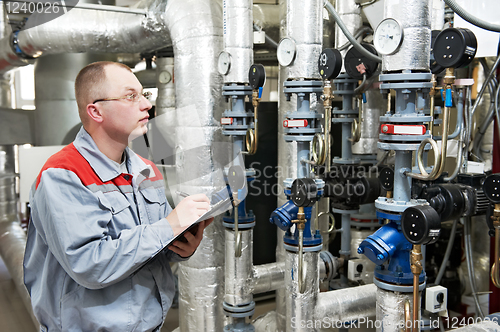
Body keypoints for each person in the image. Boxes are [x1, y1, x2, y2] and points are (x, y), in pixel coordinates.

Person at [23, 61, 212, 332]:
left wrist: (181, 244)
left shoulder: (145, 168)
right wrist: (169, 226)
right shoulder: (64, 175)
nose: (146, 105)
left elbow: (151, 247)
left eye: (143, 95)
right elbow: (89, 264)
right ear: (96, 111)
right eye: (130, 96)